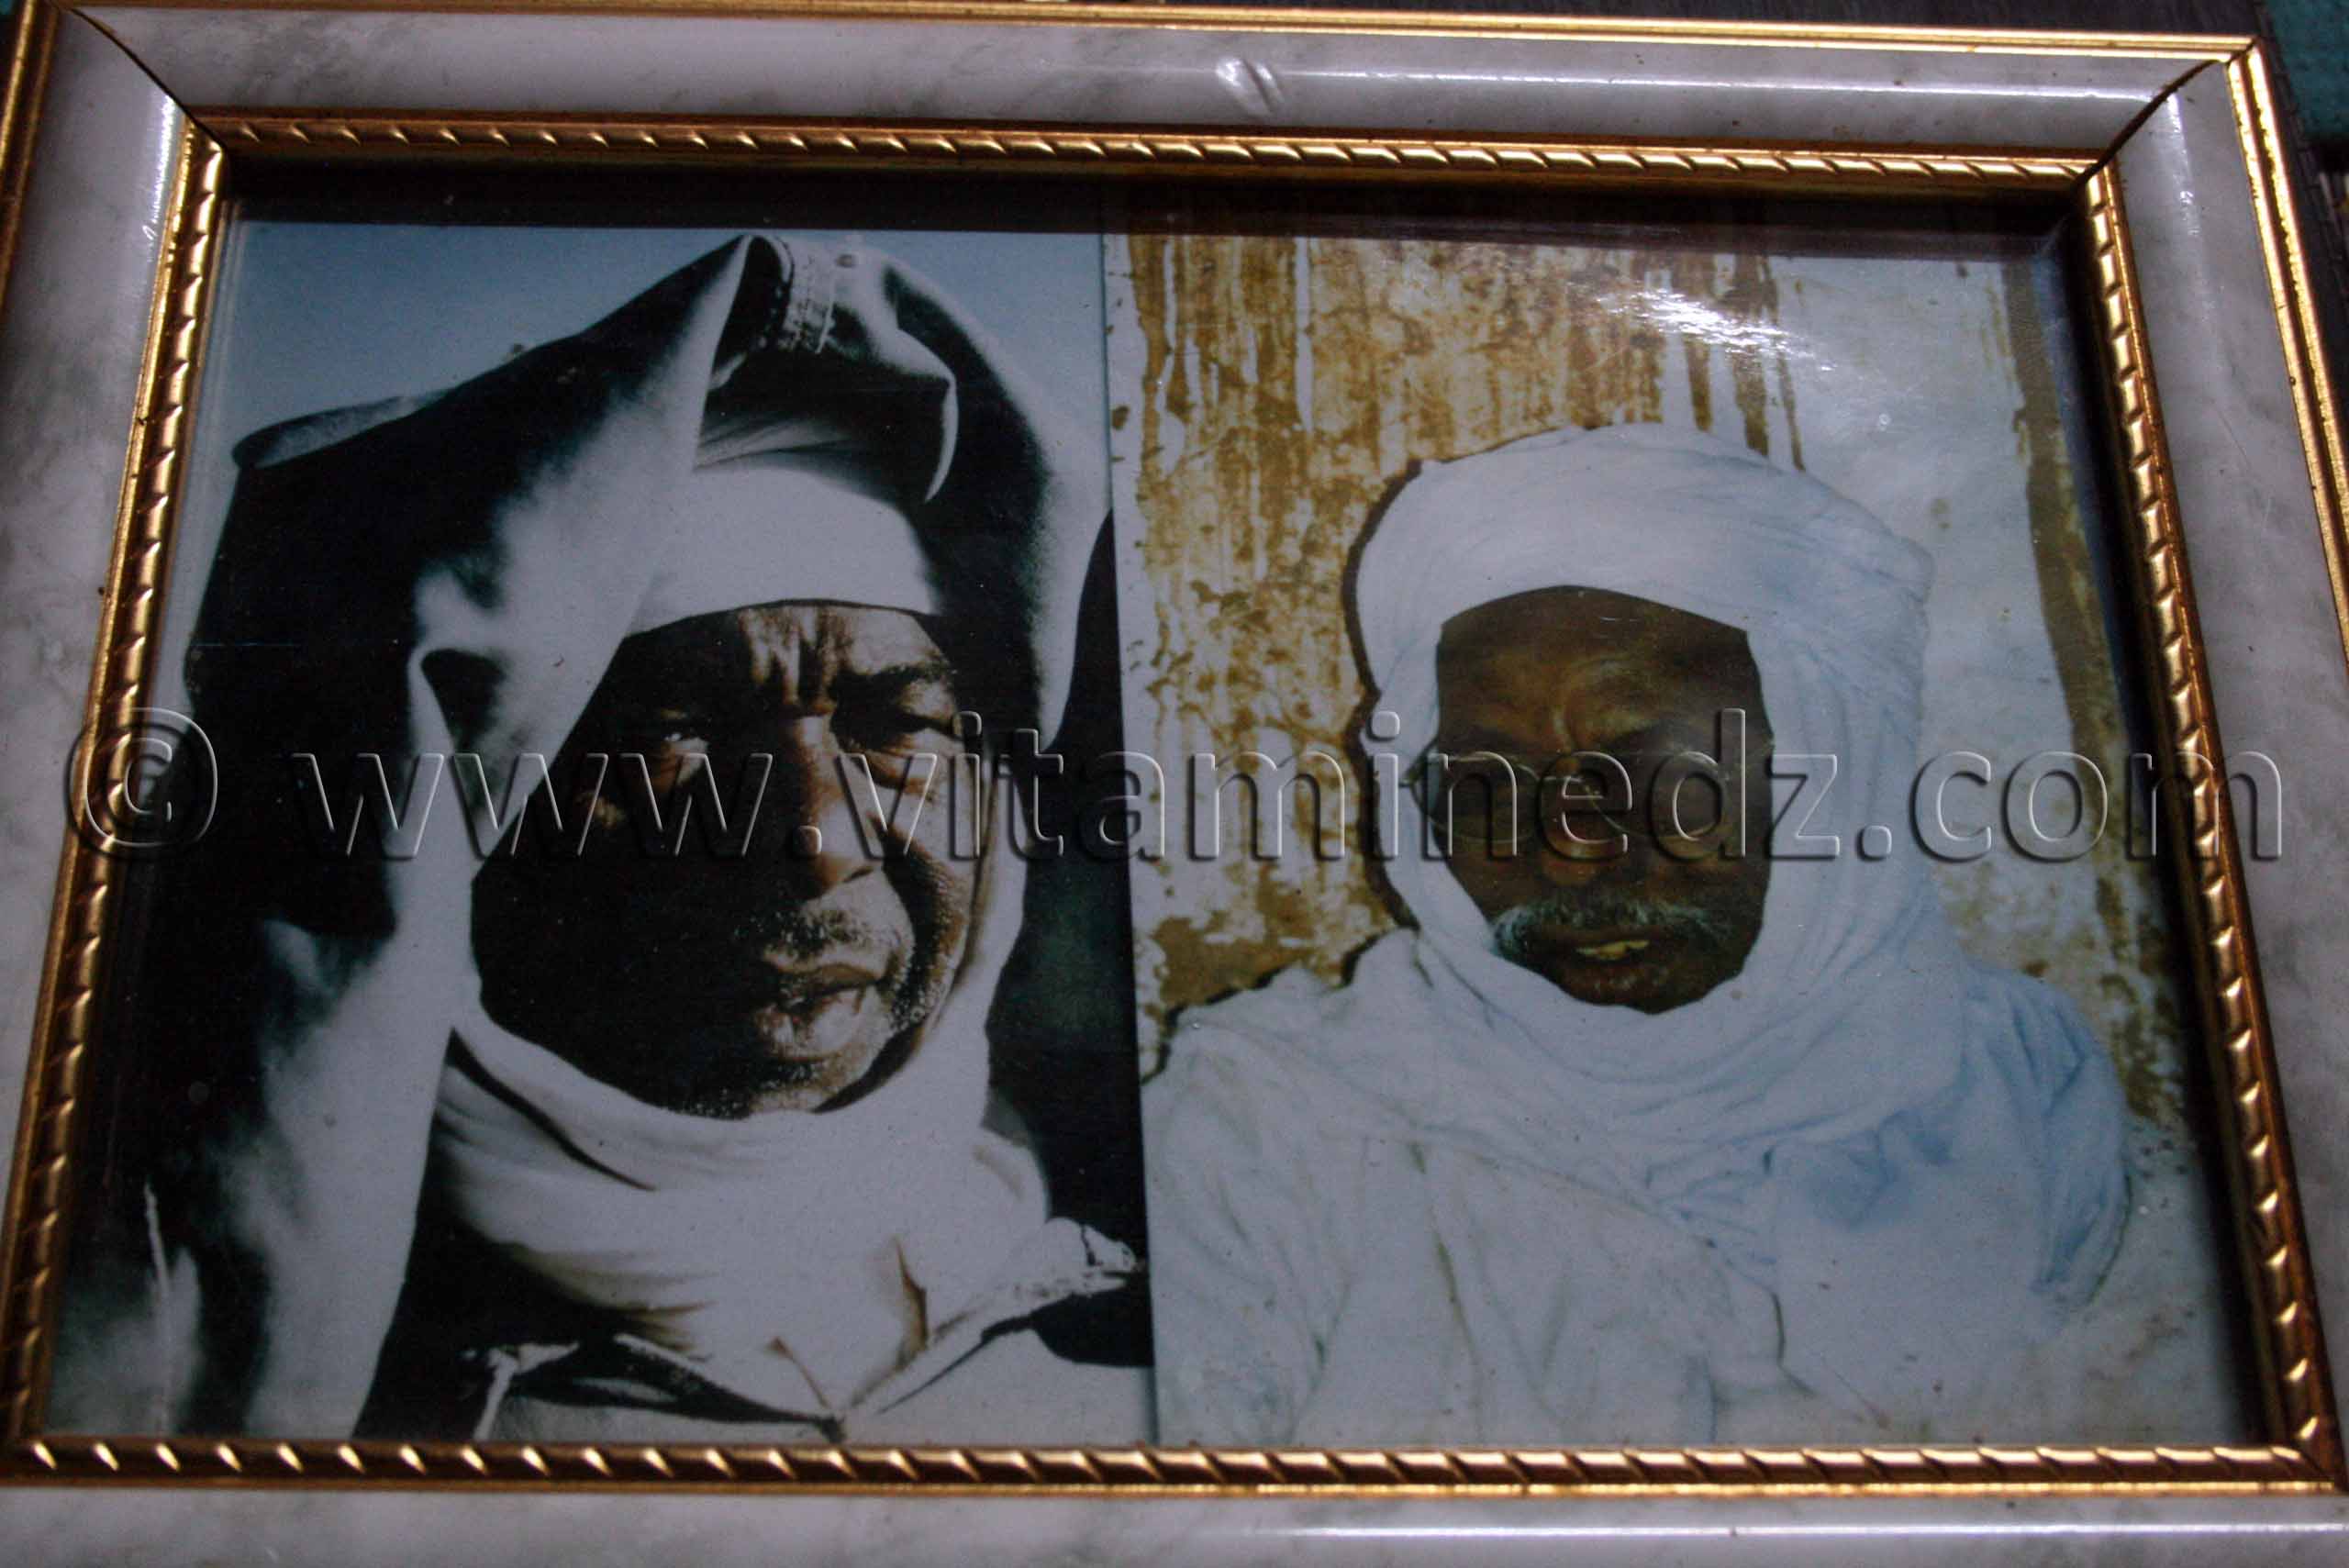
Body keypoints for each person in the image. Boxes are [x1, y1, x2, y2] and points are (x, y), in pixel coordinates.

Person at [51, 235, 1147, 1443]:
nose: (818, 837)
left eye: (895, 725)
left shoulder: (1151, 1338)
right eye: (673, 729)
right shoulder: (221, 1403)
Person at [1144, 422, 2241, 1447]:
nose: (1571, 853)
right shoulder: (1269, 1137)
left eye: (1667, 774)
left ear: (1840, 768)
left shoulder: (2040, 1116)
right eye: (1487, 786)